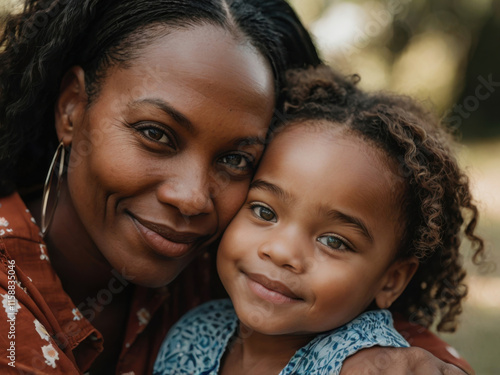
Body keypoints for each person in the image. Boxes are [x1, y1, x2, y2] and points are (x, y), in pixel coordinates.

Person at [0, 0, 476, 374]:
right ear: (71, 108)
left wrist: (390, 357)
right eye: (155, 133)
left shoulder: (217, 264)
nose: (191, 197)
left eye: (235, 160)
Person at [154, 66, 484, 375]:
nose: (282, 252)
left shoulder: (377, 367)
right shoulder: (193, 333)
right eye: (264, 212)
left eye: (333, 241)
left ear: (391, 280)